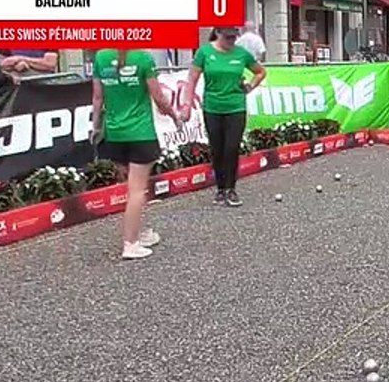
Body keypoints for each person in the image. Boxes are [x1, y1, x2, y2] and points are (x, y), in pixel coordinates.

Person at [91, 48, 181, 260]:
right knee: (137, 190)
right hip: (140, 132)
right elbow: (158, 96)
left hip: (114, 132)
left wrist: (95, 126)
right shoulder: (143, 58)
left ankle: (140, 232)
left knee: (133, 187)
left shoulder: (101, 57)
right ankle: (130, 243)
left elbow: (97, 97)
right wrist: (174, 115)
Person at [182, 26, 266, 207]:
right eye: (228, 37)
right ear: (218, 34)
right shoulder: (204, 52)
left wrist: (250, 86)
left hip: (235, 106)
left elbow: (260, 72)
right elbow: (192, 80)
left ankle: (231, 188)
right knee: (217, 148)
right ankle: (220, 188)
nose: (231, 41)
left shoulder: (242, 54)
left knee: (232, 147)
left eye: (234, 37)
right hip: (213, 107)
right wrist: (187, 105)